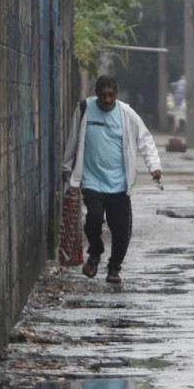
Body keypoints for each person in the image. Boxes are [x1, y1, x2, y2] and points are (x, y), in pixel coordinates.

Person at [62, 75, 162, 283]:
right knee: (93, 218)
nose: (107, 99)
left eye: (111, 95)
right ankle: (96, 251)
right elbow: (73, 140)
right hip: (92, 179)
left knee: (121, 229)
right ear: (96, 93)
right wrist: (66, 167)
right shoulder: (84, 109)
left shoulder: (126, 113)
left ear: (116, 93)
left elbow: (145, 139)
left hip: (119, 183)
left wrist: (154, 166)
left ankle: (114, 268)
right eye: (103, 95)